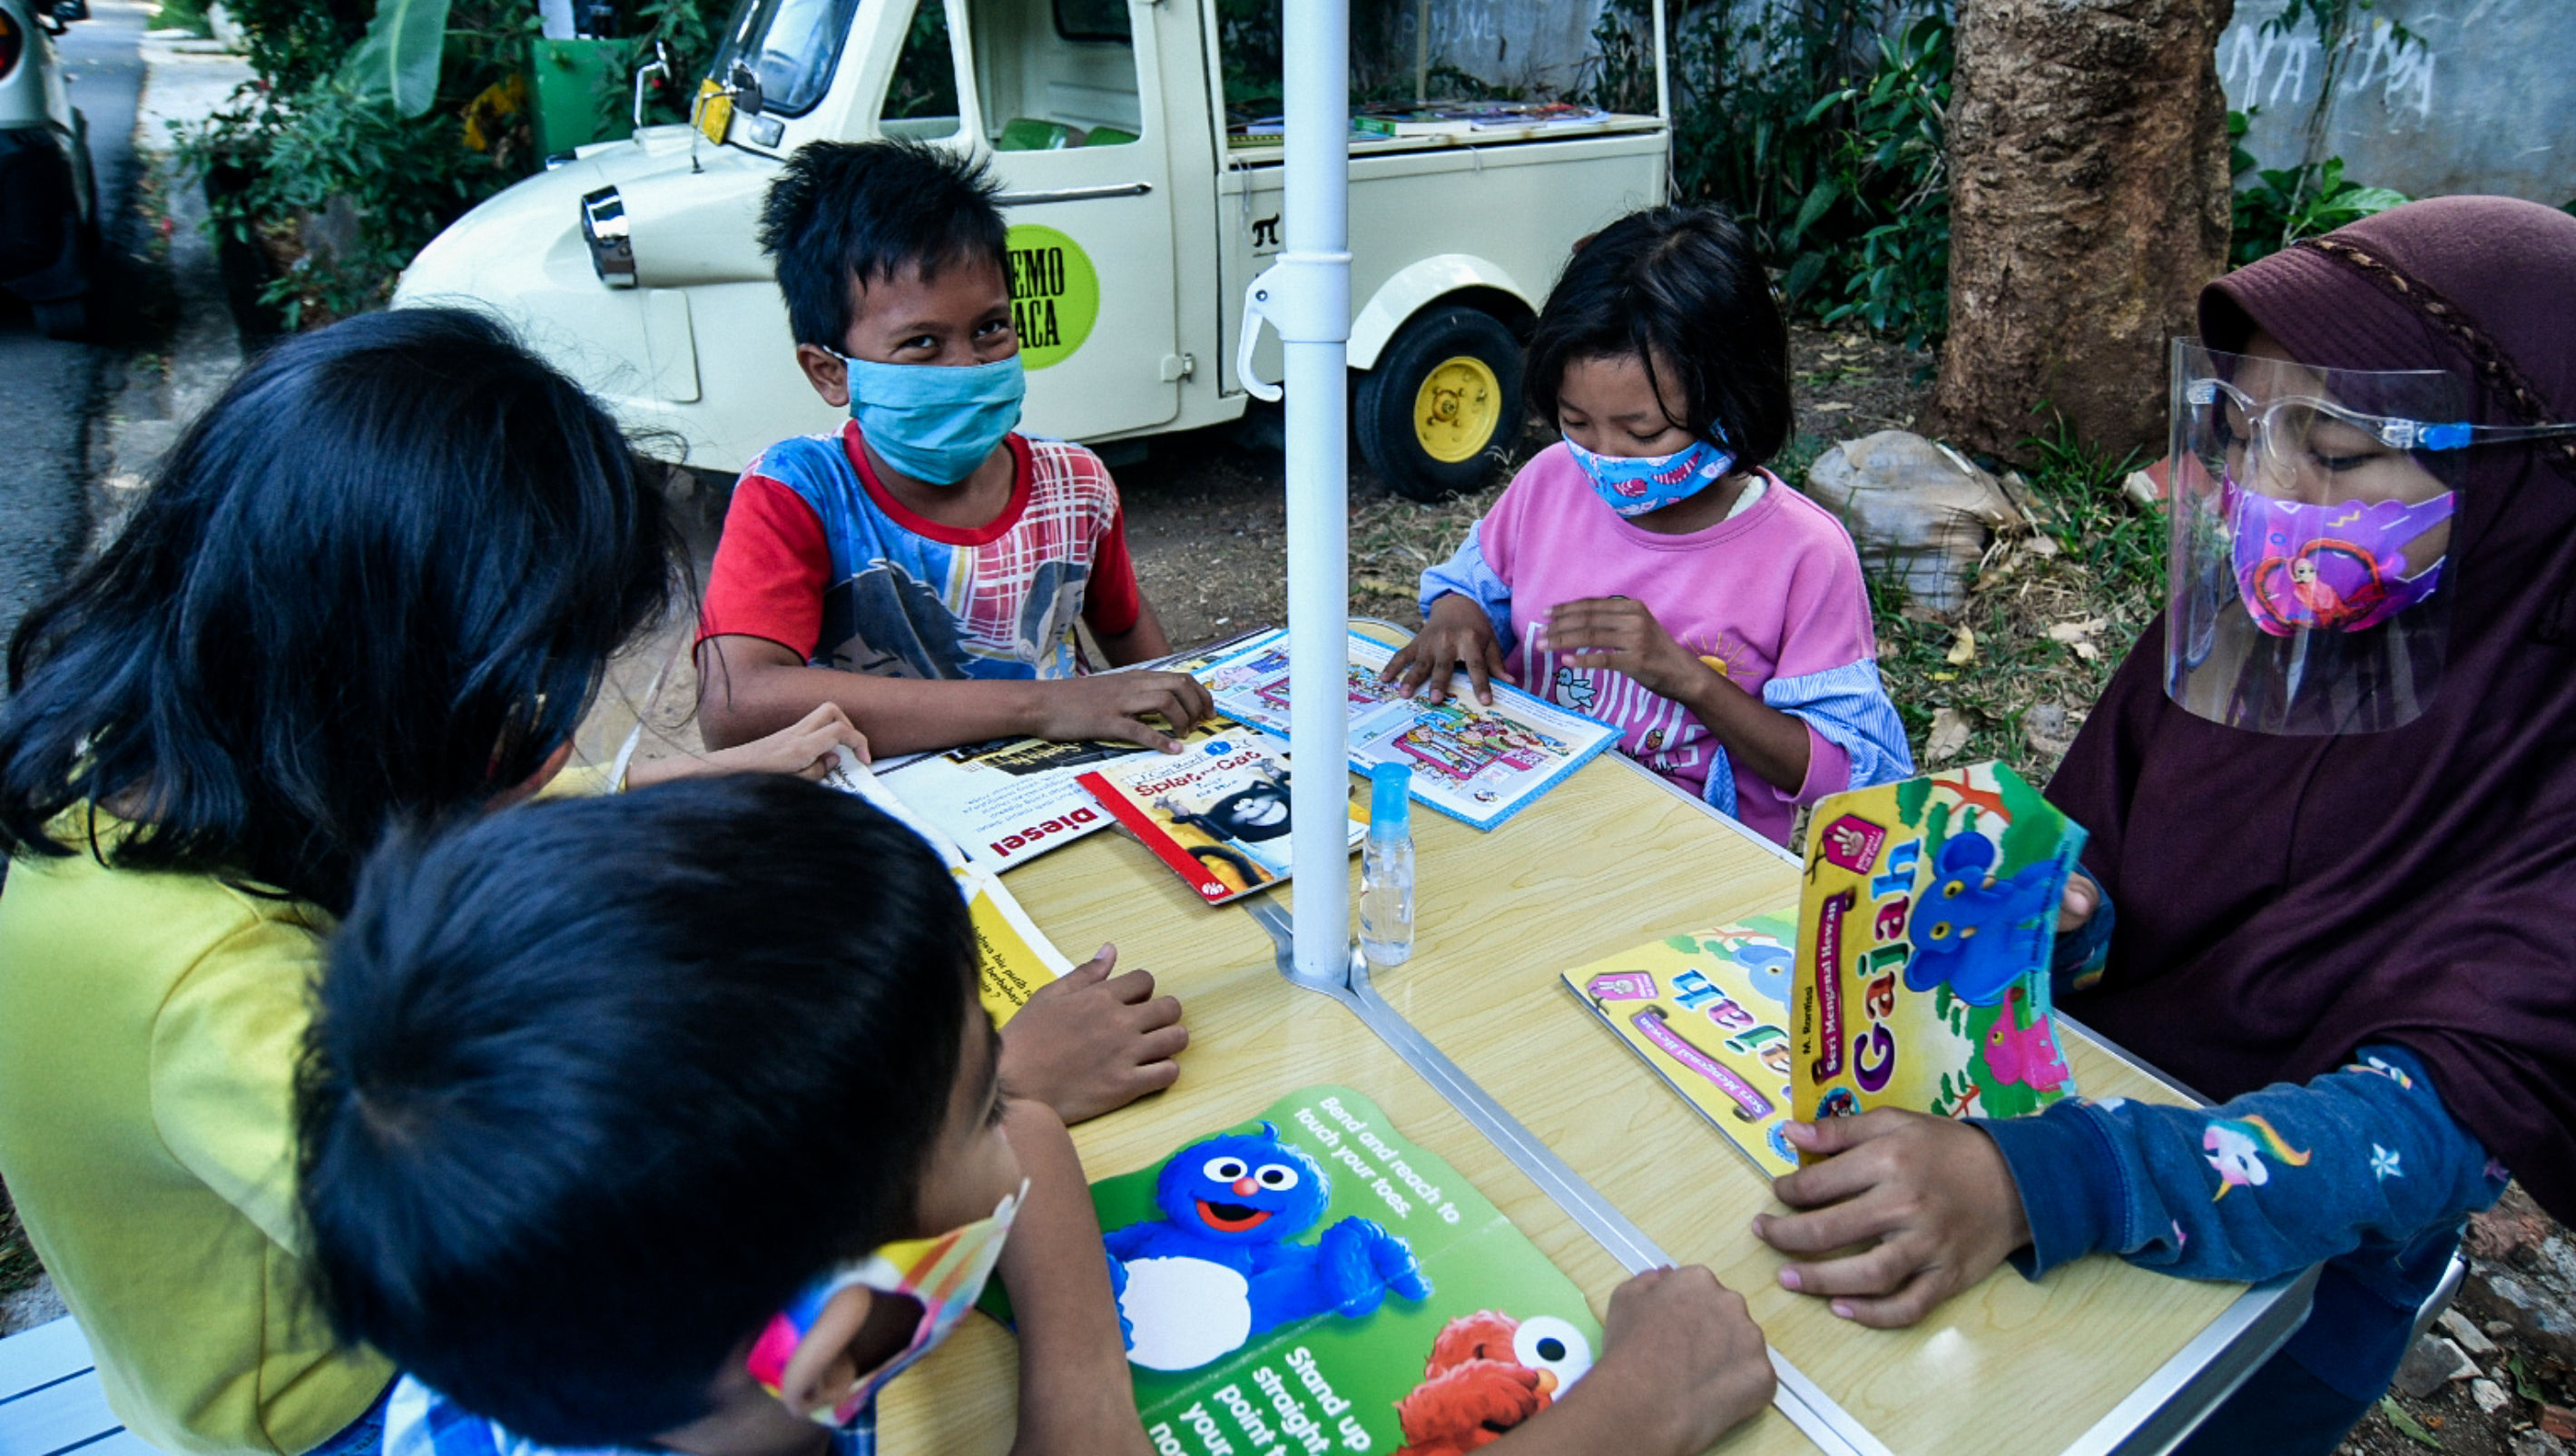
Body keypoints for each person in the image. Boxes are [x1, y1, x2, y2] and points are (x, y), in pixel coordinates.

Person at [0, 310, 1167, 1456]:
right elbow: (567, 1233)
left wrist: (712, 775)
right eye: (518, 701)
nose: (555, 746)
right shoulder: (205, 987)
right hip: (354, 1390)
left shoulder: (222, 745)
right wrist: (983, 1086)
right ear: (368, 687)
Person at [1745, 198, 2576, 1456]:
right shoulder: (2260, 620)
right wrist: (2062, 915)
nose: (2268, 492)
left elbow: (2429, 1125)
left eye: (2335, 449)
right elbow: (2107, 866)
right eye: (2245, 432)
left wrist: (2042, 1184)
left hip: (2287, 1283)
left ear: (2541, 480)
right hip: (2044, 1166)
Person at [298, 776, 1784, 1456]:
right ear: (835, 1320)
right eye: (976, 1093)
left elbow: (1038, 1150)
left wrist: (1078, 1392)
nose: (1016, 1101)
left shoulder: (692, 1345)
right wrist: (1634, 1413)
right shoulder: (797, 1338)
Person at [1384, 206, 1912, 846]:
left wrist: (1688, 679)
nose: (1606, 457)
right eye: (1576, 422)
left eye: (1643, 433)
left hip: (1684, 858)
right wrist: (1456, 614)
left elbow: (1850, 776)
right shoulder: (1552, 481)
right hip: (1523, 823)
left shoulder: (1804, 553)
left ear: (1734, 397)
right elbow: (1472, 585)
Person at [695, 141, 1213, 759]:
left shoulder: (1076, 484)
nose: (966, 366)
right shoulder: (798, 492)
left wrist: (1191, 734)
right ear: (831, 372)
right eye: (922, 343)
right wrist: (1041, 706)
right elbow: (734, 706)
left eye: (990, 329)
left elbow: (1125, 628)